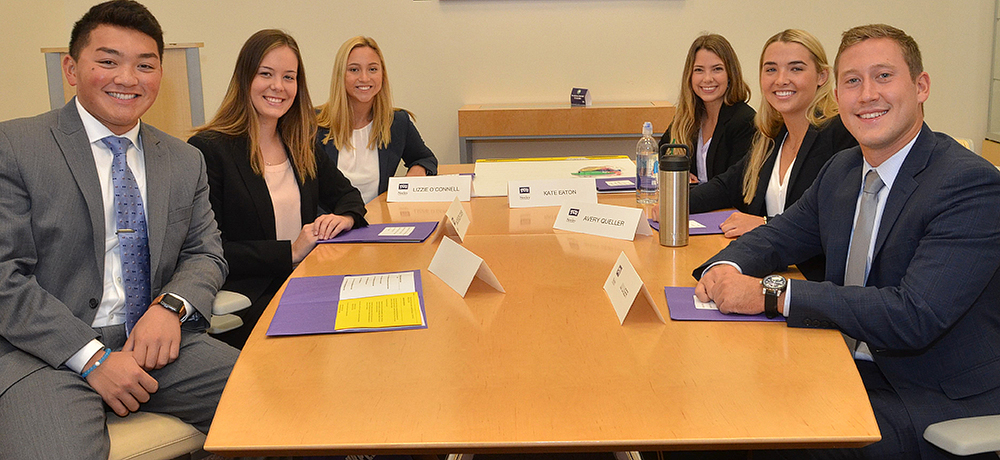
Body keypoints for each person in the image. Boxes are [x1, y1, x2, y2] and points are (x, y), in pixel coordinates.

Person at [694, 24, 1000, 459]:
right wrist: (725, 267)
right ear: (836, 97)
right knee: (717, 400)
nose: (867, 94)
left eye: (884, 76)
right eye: (852, 81)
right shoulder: (842, 169)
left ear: (921, 86)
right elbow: (779, 235)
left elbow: (914, 315)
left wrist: (772, 294)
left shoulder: (968, 184)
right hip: (842, 361)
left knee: (768, 436)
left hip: (932, 395)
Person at [0, 1, 238, 457]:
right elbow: (5, 276)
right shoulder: (15, 146)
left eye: (144, 65)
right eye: (108, 61)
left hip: (157, 344)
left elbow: (205, 254)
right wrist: (92, 358)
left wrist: (171, 307)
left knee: (277, 405)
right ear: (72, 68)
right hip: (43, 353)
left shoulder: (185, 159)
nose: (127, 79)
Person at [189, 29, 368, 349]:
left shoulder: (300, 142)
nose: (278, 86)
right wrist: (292, 251)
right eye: (266, 74)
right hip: (252, 298)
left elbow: (347, 195)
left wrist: (345, 218)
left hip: (307, 282)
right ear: (245, 78)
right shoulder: (209, 149)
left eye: (289, 77)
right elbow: (214, 249)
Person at [688, 29, 857, 281]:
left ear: (822, 76)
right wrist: (675, 202)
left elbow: (837, 223)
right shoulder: (772, 136)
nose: (781, 80)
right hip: (771, 273)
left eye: (795, 69)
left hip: (812, 286)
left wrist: (767, 224)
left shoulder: (840, 134)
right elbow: (727, 186)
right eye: (771, 70)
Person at [316, 36, 438, 203]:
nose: (365, 78)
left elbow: (425, 158)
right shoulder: (314, 124)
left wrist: (418, 169)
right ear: (340, 75)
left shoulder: (396, 123)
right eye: (354, 70)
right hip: (331, 225)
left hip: (379, 224)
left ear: (382, 74)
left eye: (372, 69)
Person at [660, 33, 755, 184]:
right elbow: (661, 155)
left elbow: (733, 185)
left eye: (717, 69)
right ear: (689, 76)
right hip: (693, 203)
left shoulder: (744, 121)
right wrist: (681, 175)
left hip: (724, 206)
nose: (707, 78)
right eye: (699, 70)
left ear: (730, 74)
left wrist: (690, 195)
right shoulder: (687, 117)